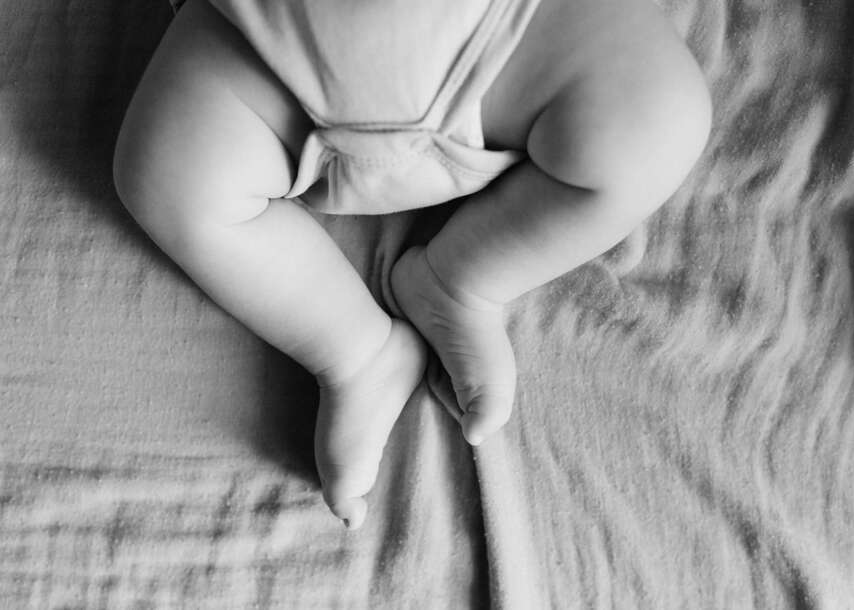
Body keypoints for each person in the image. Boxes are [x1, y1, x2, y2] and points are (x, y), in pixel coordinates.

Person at [113, 0, 711, 529]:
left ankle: (463, 279)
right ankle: (356, 351)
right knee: (167, 175)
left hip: (505, 36)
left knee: (659, 113)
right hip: (264, 50)